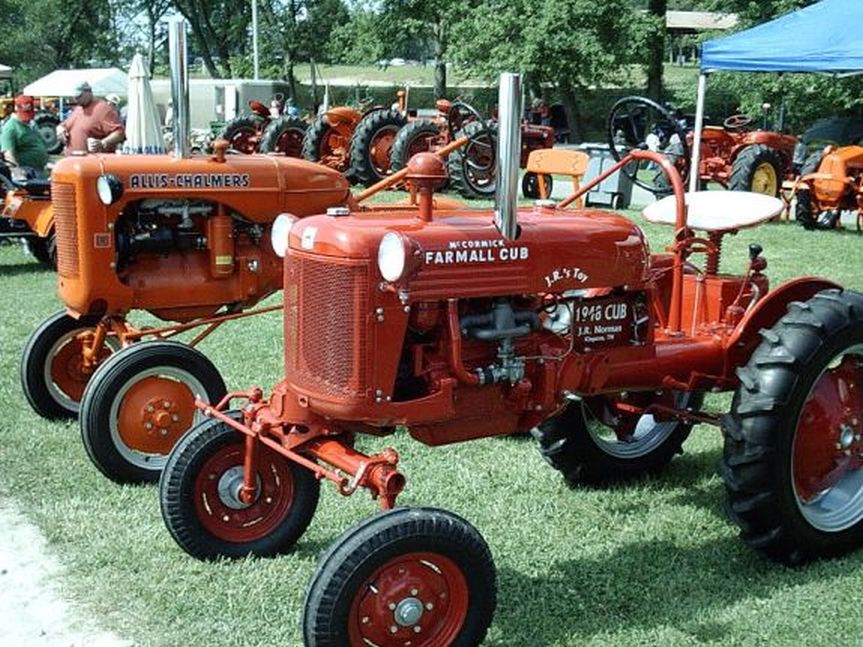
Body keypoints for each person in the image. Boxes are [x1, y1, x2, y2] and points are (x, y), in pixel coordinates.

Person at [56, 81, 125, 155]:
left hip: (93, 160)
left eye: (79, 96)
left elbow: (119, 133)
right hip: (73, 159)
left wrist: (102, 143)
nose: (76, 99)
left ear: (89, 92)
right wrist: (60, 128)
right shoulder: (78, 108)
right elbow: (65, 124)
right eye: (75, 97)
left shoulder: (103, 109)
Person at [0, 95, 48, 176]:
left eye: (29, 113)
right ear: (16, 110)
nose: (27, 118)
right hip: (26, 172)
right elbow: (8, 155)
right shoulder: (10, 128)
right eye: (24, 114)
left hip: (40, 170)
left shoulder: (32, 124)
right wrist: (18, 174)